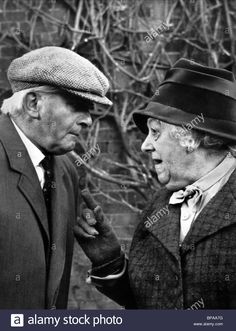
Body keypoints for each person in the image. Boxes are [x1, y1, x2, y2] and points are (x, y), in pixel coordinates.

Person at [75, 58, 236, 309]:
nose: (145, 145)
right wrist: (111, 262)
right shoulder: (159, 207)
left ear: (197, 137)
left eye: (156, 132)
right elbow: (151, 302)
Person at [0, 46, 112, 309]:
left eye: (90, 109)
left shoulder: (66, 169)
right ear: (33, 104)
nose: (88, 121)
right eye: (77, 106)